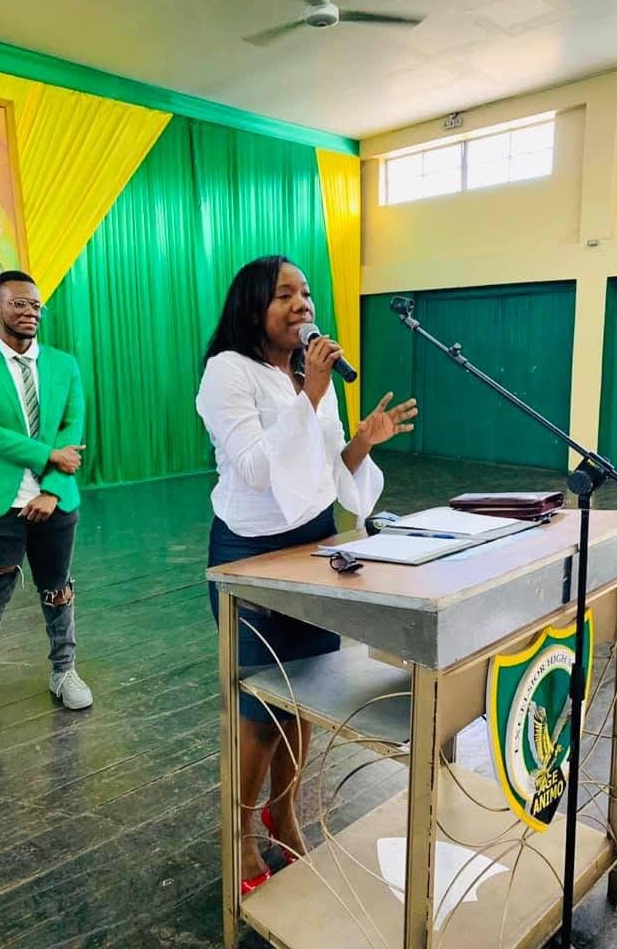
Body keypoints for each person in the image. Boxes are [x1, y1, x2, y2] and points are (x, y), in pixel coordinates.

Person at [196, 255, 417, 893]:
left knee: (307, 700)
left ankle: (283, 811)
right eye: (284, 294)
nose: (303, 305)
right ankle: (240, 832)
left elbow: (323, 469)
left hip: (316, 547)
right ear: (252, 307)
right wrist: (312, 392)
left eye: (308, 293)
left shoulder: (305, 373)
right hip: (252, 553)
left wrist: (363, 441)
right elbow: (257, 470)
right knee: (261, 705)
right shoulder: (227, 372)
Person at [0, 269, 93, 744]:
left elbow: (72, 430)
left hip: (55, 500)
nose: (29, 312)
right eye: (18, 303)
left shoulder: (64, 364)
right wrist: (48, 454)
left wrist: (52, 489)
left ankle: (64, 670)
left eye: (35, 305)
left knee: (58, 590)